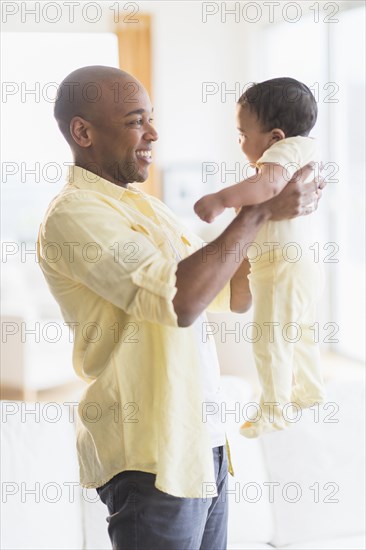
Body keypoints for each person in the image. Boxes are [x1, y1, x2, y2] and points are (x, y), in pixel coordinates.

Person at [37, 66, 324, 549]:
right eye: (135, 121)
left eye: (151, 118)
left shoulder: (146, 207)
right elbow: (180, 300)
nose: (152, 133)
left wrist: (281, 229)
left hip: (203, 443)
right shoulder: (75, 214)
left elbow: (227, 287)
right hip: (149, 459)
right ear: (82, 132)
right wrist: (258, 212)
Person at [194, 78, 326, 438]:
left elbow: (266, 187)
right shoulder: (303, 151)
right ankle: (310, 390)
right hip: (299, 266)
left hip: (281, 269)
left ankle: (273, 410)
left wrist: (221, 198)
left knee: (270, 339)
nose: (239, 142)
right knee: (300, 334)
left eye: (242, 133)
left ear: (274, 137)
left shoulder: (280, 155)